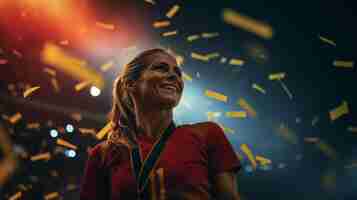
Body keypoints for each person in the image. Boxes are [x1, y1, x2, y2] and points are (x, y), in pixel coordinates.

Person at [80, 48, 242, 200]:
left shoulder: (207, 134)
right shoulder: (104, 153)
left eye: (177, 72)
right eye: (161, 68)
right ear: (130, 84)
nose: (174, 76)